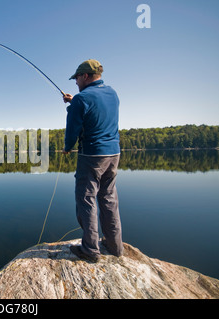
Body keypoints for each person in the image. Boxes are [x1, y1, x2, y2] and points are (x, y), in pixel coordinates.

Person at [62, 59, 123, 263]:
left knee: (86, 199)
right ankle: (115, 246)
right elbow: (95, 110)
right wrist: (75, 102)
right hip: (113, 154)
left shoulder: (81, 99)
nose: (76, 83)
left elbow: (73, 130)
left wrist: (68, 147)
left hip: (92, 156)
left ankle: (90, 249)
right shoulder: (112, 94)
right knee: (108, 198)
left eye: (77, 78)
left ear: (86, 76)